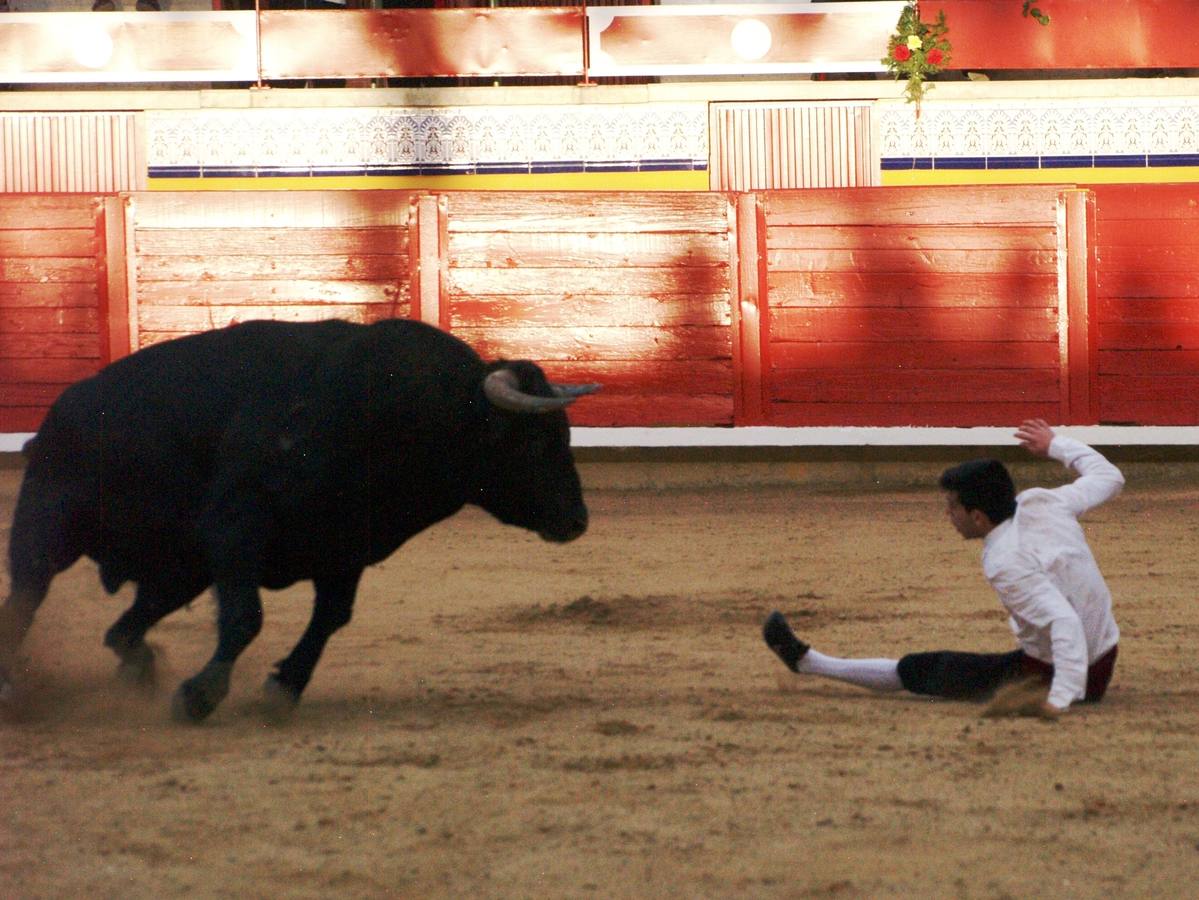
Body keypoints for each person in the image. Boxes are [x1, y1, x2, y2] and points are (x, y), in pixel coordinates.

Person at [763, 418, 1124, 720]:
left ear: (978, 517)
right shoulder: (1042, 502)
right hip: (1102, 652)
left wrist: (1059, 698)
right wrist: (1055, 444)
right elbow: (1110, 478)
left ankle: (810, 664)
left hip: (1066, 671)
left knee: (924, 669)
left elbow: (1064, 623)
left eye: (953, 508)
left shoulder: (1005, 561)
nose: (948, 516)